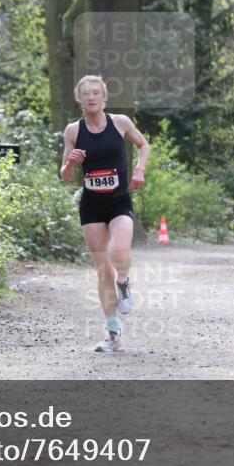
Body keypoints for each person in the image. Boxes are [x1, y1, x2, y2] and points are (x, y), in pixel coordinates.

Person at [60, 75, 149, 352]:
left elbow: (143, 145)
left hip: (119, 201)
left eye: (95, 92)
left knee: (118, 252)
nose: (91, 97)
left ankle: (124, 283)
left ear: (104, 97)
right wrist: (71, 164)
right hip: (92, 205)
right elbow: (65, 176)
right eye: (85, 93)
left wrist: (139, 170)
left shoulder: (120, 123)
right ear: (80, 99)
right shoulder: (73, 131)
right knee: (102, 269)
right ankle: (114, 334)